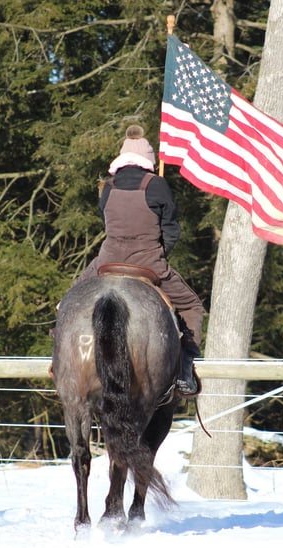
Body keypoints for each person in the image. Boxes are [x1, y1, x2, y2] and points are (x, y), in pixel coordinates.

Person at [74, 125, 205, 396]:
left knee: (70, 300)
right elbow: (172, 229)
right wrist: (158, 253)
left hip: (107, 259)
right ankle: (184, 369)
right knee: (192, 306)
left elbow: (107, 222)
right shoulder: (156, 184)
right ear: (149, 160)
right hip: (149, 262)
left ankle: (58, 358)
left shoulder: (107, 187)